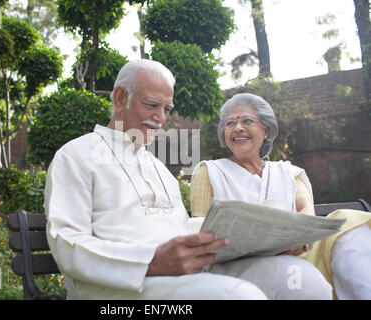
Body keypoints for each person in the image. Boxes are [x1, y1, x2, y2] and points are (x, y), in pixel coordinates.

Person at [44, 60, 332, 300]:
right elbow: (65, 241)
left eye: (167, 109)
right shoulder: (76, 156)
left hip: (188, 275)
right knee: (240, 297)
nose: (160, 118)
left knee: (303, 281)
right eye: (152, 105)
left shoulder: (157, 167)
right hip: (118, 289)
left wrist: (265, 239)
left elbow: (179, 228)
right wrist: (150, 261)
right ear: (121, 98)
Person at [190, 92, 371, 299]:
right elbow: (199, 232)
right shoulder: (210, 171)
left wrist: (296, 239)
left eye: (247, 121)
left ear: (266, 130)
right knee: (299, 276)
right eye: (230, 123)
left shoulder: (288, 172)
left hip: (299, 253)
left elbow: (306, 210)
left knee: (352, 231)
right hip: (237, 267)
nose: (238, 128)